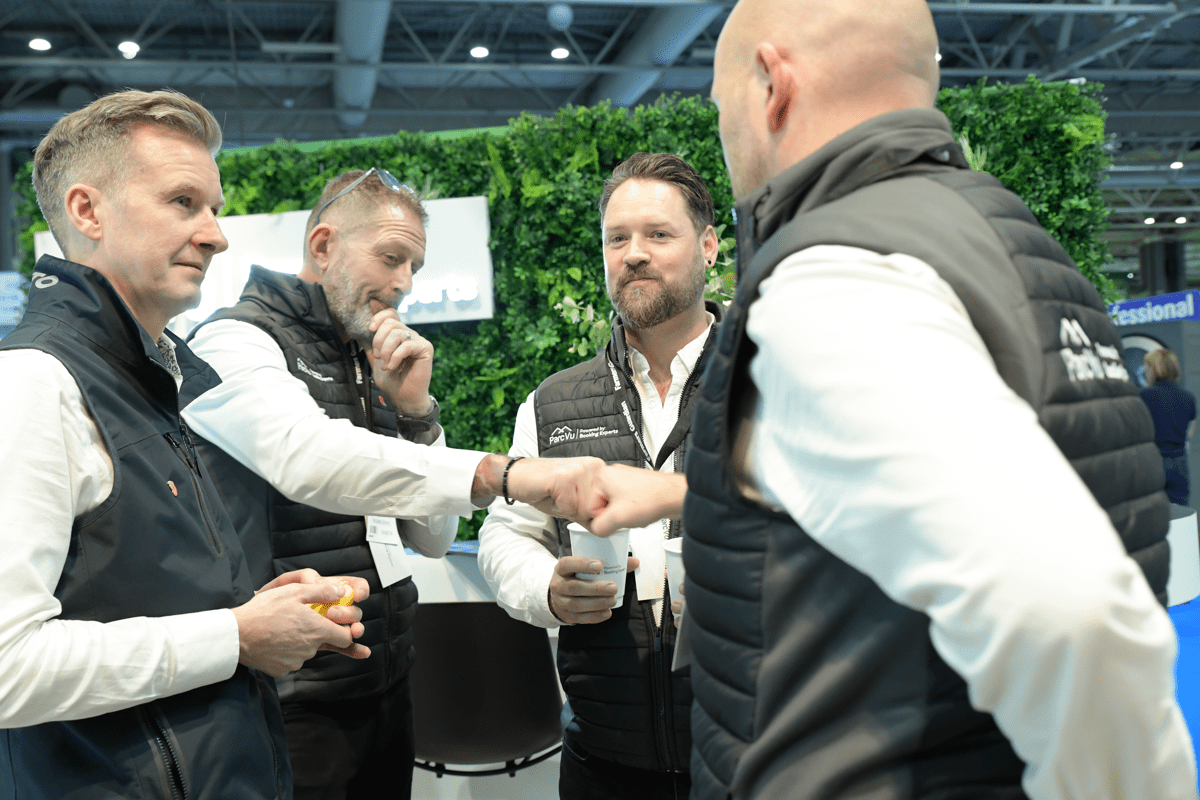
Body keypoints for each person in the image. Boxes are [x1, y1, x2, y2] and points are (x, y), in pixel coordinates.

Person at [587, 1, 1199, 798]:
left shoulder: (836, 276)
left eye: (720, 103)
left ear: (772, 83)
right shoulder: (1010, 246)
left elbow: (1067, 610)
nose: (726, 131)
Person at [180, 168, 611, 800]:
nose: (405, 282)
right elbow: (306, 456)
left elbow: (431, 538)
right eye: (390, 258)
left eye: (414, 265)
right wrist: (495, 472)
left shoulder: (369, 357)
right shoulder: (235, 340)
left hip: (385, 681)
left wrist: (415, 412)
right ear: (323, 245)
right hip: (287, 698)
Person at [0, 89, 372, 800]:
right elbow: (6, 668)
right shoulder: (33, 384)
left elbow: (131, 589)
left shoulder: (162, 377)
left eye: (214, 208)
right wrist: (235, 635)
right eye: (183, 202)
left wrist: (262, 611)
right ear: (87, 212)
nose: (215, 235)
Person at [478, 152, 721, 800]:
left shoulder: (765, 383)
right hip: (603, 764)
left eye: (658, 234)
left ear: (708, 246)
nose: (634, 254)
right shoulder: (553, 404)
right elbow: (507, 534)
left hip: (751, 758)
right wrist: (545, 589)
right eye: (618, 239)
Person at [1141, 347, 1197, 505]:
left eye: (1147, 367)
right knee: (1180, 510)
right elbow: (1190, 433)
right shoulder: (1188, 397)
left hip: (1153, 461)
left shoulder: (1143, 396)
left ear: (1153, 369)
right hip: (1179, 463)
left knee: (1153, 510)